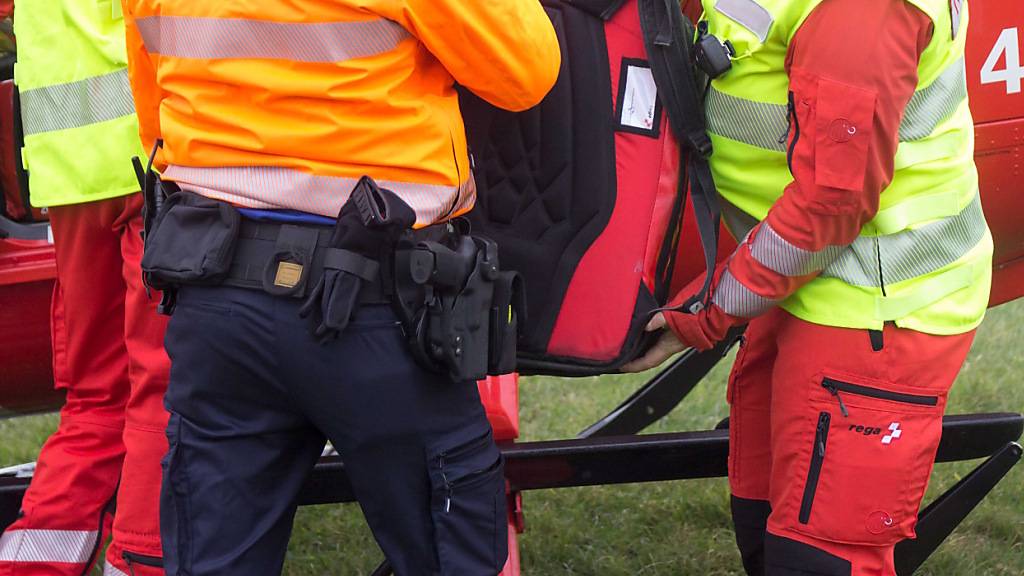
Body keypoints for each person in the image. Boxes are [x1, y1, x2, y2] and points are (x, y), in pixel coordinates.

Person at [121, 2, 560, 574]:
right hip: (378, 308)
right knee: (454, 546)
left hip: (219, 292)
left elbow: (154, 115)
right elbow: (526, 72)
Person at [623, 0, 991, 574]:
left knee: (819, 558)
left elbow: (830, 206)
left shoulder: (862, 15)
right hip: (793, 284)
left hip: (874, 305)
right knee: (763, 528)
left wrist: (707, 311)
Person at [0, 1, 170, 575]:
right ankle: (140, 561)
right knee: (164, 393)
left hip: (71, 172)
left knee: (97, 400)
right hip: (157, 158)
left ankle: (31, 565)